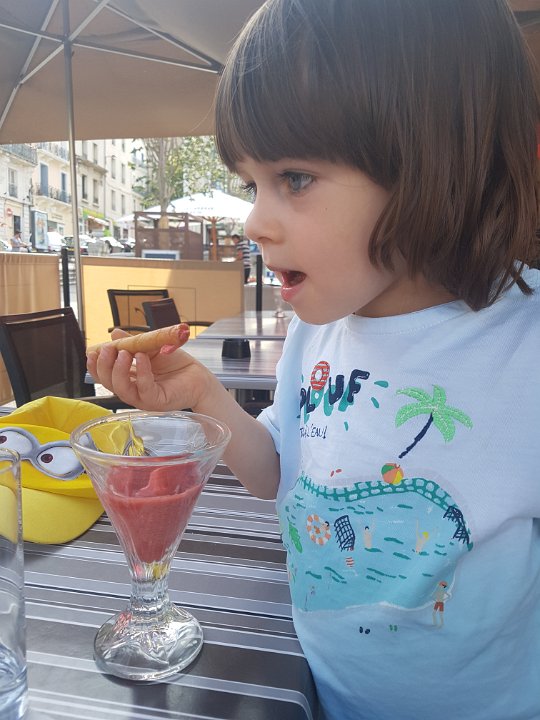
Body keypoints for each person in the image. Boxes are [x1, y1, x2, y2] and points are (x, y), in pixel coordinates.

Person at [87, 1, 540, 718]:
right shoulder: (317, 332)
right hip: (320, 694)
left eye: (294, 178)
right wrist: (203, 396)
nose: (254, 222)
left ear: (433, 160)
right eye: (251, 184)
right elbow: (279, 471)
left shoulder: (523, 343)